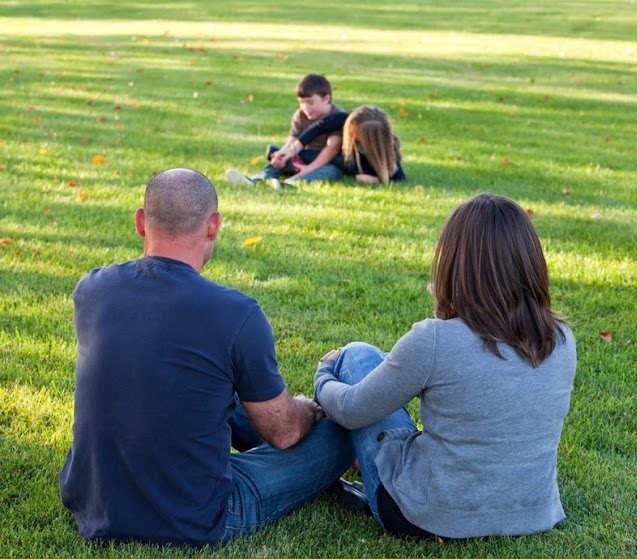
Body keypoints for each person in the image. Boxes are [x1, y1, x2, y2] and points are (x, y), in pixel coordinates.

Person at [59, 168, 354, 546]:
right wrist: (308, 408)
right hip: (196, 516)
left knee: (200, 383)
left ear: (139, 222)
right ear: (213, 225)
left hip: (92, 501)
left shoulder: (92, 289)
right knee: (341, 429)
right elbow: (285, 433)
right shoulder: (236, 313)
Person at [314, 193, 577, 540]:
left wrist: (325, 374)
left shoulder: (434, 340)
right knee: (373, 369)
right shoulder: (561, 338)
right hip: (532, 513)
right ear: (529, 263)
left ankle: (335, 461)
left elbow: (349, 409)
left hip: (426, 517)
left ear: (454, 263)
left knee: (357, 356)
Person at [225, 73, 344, 188]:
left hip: (324, 161)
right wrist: (282, 154)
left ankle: (292, 183)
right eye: (301, 103)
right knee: (277, 161)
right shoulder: (301, 115)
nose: (305, 107)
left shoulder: (338, 116)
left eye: (310, 102)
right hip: (300, 156)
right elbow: (292, 139)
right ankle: (257, 179)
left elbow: (332, 149)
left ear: (326, 99)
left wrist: (309, 169)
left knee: (330, 171)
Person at [282, 105, 405, 184]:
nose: (352, 138)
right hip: (337, 158)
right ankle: (278, 161)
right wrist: (294, 148)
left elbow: (399, 178)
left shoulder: (387, 153)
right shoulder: (344, 119)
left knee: (329, 171)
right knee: (304, 157)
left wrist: (376, 180)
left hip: (342, 166)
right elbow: (318, 128)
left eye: (357, 139)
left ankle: (294, 182)